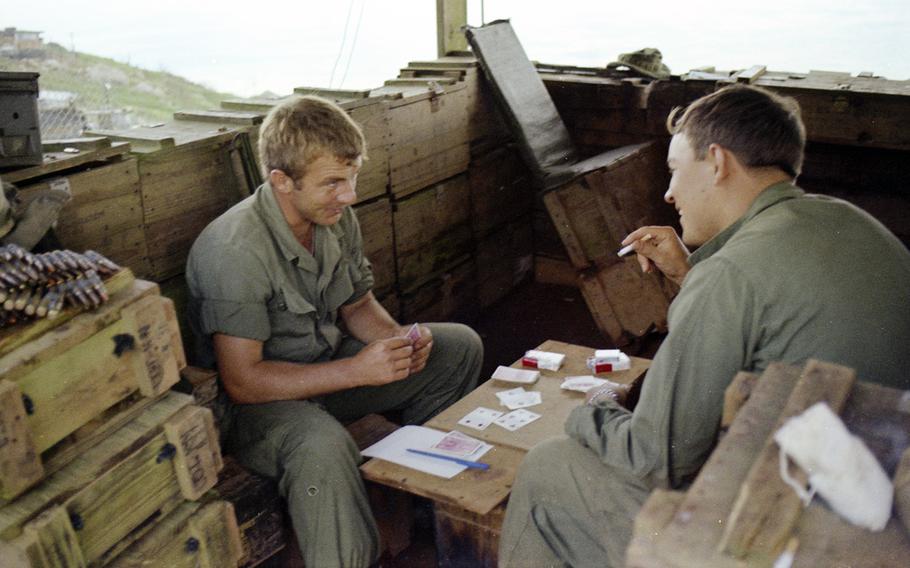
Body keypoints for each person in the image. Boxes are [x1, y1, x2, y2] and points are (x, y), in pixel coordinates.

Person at [498, 84, 910, 568]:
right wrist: (690, 276)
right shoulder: (847, 220)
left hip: (798, 535)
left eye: (674, 170)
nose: (669, 193)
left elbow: (655, 460)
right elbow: (771, 315)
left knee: (550, 466)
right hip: (877, 496)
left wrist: (591, 409)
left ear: (716, 162)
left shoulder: (730, 275)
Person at [186, 95, 483, 568]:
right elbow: (243, 382)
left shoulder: (332, 216)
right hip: (260, 407)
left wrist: (399, 341)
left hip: (330, 370)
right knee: (323, 446)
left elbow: (358, 305)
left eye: (353, 178)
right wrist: (358, 370)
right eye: (333, 183)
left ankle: (434, 506)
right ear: (281, 181)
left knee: (458, 347)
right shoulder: (233, 250)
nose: (349, 195)